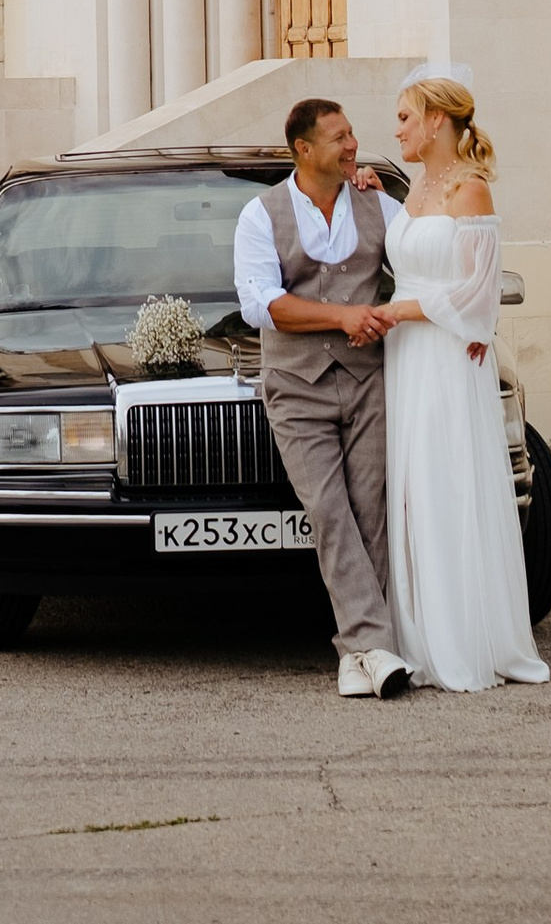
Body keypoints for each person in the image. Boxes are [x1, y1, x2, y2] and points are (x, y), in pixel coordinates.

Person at [375, 66, 549, 692]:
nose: (395, 129)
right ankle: (419, 632)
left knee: (450, 481)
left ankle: (465, 638)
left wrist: (402, 310)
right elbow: (415, 243)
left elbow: (478, 297)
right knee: (415, 486)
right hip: (407, 359)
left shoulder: (471, 191)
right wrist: (370, 191)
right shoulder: (417, 190)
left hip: (447, 355)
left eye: (403, 117)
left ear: (437, 121)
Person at [234, 96, 411, 698]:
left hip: (370, 382)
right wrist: (342, 317)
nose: (352, 144)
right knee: (330, 513)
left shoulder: (377, 201)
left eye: (352, 133)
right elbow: (262, 304)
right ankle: (373, 645)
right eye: (339, 138)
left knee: (372, 514)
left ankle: (361, 657)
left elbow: (423, 255)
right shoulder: (260, 215)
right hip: (297, 390)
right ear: (303, 150)